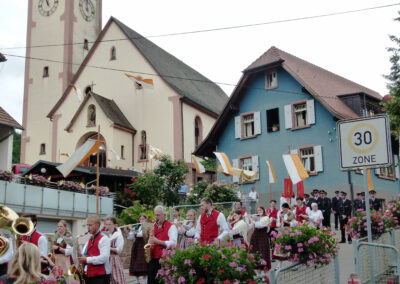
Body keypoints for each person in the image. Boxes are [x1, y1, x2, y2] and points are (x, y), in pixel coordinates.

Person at [148, 205, 178, 284]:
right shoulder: (153, 226)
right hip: (152, 259)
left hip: (164, 260)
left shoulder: (172, 227)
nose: (156, 217)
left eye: (158, 215)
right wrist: (149, 244)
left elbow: (174, 243)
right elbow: (150, 240)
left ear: (164, 215)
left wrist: (158, 241)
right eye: (155, 215)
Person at [78, 215, 111, 284]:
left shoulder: (104, 239)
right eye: (87, 225)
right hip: (90, 275)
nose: (88, 227)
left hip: (101, 276)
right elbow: (88, 254)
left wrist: (87, 259)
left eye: (90, 225)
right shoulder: (90, 239)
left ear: (97, 225)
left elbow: (104, 258)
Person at [127, 213, 148, 284]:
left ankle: (144, 281)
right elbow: (130, 237)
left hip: (144, 245)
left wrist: (131, 229)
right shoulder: (136, 227)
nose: (141, 220)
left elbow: (140, 234)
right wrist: (128, 230)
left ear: (146, 219)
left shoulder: (148, 226)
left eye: (143, 219)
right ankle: (137, 281)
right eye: (140, 219)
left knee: (143, 264)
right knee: (135, 263)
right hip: (136, 246)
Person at [248, 206, 271, 270]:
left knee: (262, 254)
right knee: (255, 253)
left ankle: (264, 274)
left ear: (263, 210)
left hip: (262, 237)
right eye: (258, 210)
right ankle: (258, 274)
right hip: (255, 237)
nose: (259, 211)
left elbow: (259, 225)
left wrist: (251, 219)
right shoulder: (256, 218)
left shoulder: (266, 218)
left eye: (260, 210)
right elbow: (250, 227)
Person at [106, 217, 127, 284]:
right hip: (106, 259)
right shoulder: (106, 235)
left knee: (116, 279)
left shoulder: (118, 235)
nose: (108, 226)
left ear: (115, 225)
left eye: (110, 224)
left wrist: (108, 248)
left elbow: (119, 250)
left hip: (114, 259)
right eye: (107, 224)